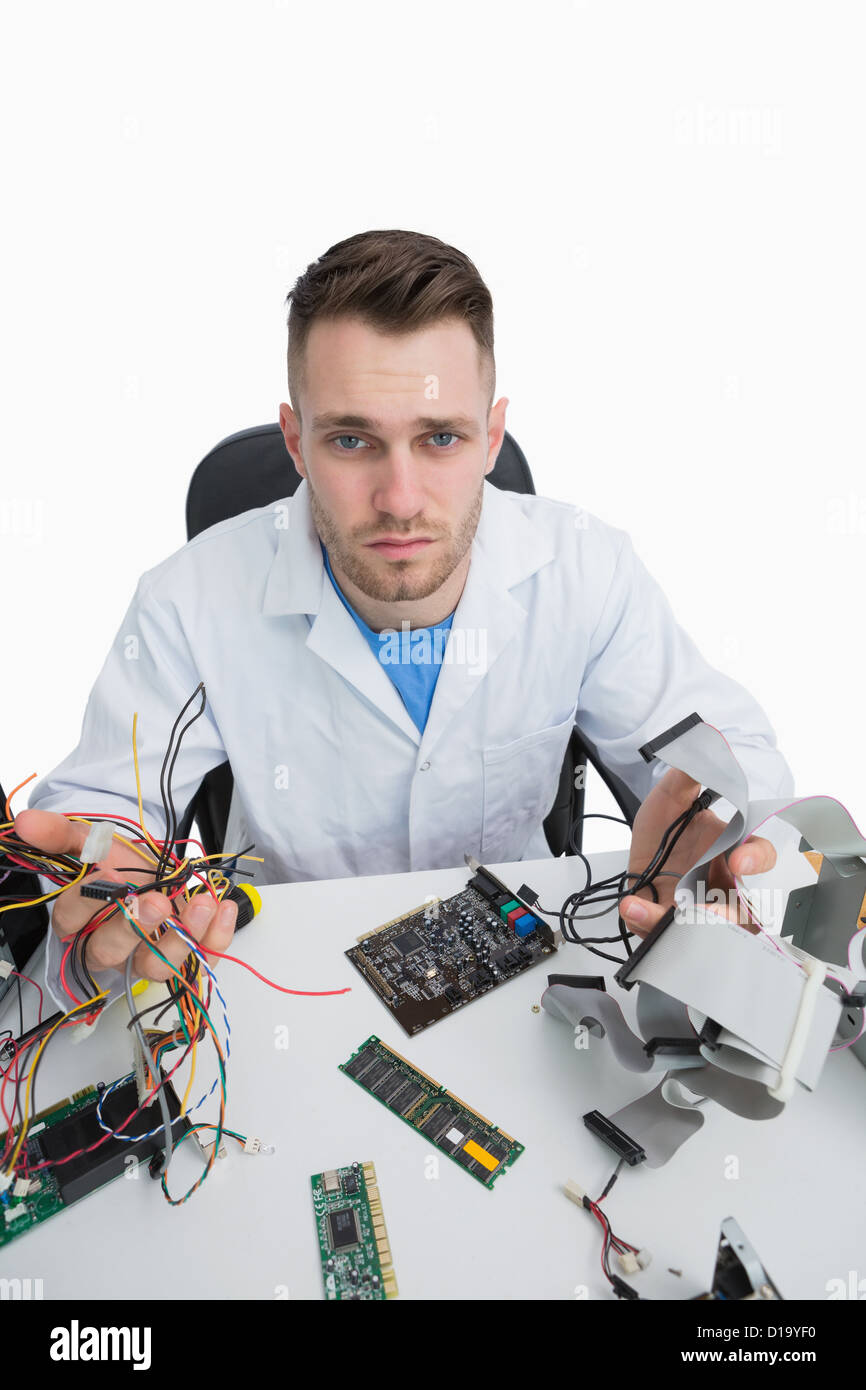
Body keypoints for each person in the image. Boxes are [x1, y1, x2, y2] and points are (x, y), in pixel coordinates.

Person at [18, 228, 790, 1007]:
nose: (399, 499)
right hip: (280, 980)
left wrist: (724, 830)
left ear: (491, 437)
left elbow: (733, 755)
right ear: (296, 442)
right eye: (352, 440)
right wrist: (96, 889)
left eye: (441, 438)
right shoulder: (187, 600)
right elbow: (102, 812)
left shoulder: (585, 570)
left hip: (522, 977)